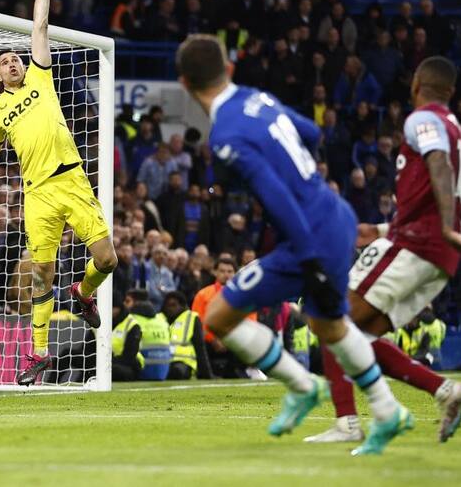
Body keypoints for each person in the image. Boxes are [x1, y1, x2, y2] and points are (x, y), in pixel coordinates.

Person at [176, 34, 411, 456]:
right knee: (330, 325)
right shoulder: (257, 98)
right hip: (335, 215)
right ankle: (387, 410)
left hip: (310, 234)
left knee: (219, 314)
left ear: (184, 84)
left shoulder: (226, 134)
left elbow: (276, 196)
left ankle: (303, 387)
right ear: (229, 69)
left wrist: (308, 255)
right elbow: (311, 133)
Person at [0, 0, 118, 386]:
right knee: (42, 274)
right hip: (37, 193)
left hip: (72, 179)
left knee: (107, 259)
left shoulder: (41, 77)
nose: (13, 62)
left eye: (15, 58)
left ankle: (83, 292)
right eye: (4, 61)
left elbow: (39, 26)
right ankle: (38, 352)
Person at [343, 56, 461, 443]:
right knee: (361, 338)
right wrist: (377, 228)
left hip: (417, 242)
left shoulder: (421, 120)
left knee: (333, 317)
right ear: (452, 91)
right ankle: (444, 391)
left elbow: (437, 165)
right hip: (437, 252)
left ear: (416, 84)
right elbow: (430, 188)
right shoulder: (455, 127)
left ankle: (347, 423)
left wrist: (442, 227)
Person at [162, 291, 212, 380]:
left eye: (173, 305)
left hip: (183, 363)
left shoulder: (191, 318)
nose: (170, 309)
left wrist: (207, 374)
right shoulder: (160, 319)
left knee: (176, 371)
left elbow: (200, 348)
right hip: (162, 362)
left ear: (182, 306)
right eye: (168, 306)